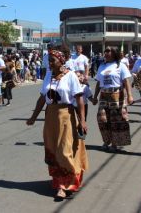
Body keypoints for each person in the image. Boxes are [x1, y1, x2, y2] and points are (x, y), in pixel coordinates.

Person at [26, 50, 88, 199]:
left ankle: (64, 185)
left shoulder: (71, 76)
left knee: (64, 151)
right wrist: (33, 117)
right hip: (50, 116)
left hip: (66, 115)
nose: (50, 64)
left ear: (61, 61)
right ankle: (58, 180)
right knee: (52, 150)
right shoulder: (48, 75)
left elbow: (79, 99)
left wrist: (83, 120)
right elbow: (42, 98)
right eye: (49, 61)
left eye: (53, 60)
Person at [92, 47, 133, 152]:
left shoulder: (121, 66)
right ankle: (106, 140)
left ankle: (114, 144)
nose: (106, 53)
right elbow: (98, 83)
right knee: (102, 119)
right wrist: (95, 96)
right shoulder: (102, 66)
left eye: (109, 51)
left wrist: (129, 95)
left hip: (116, 95)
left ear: (114, 53)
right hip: (104, 95)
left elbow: (126, 81)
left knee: (116, 120)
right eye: (105, 51)